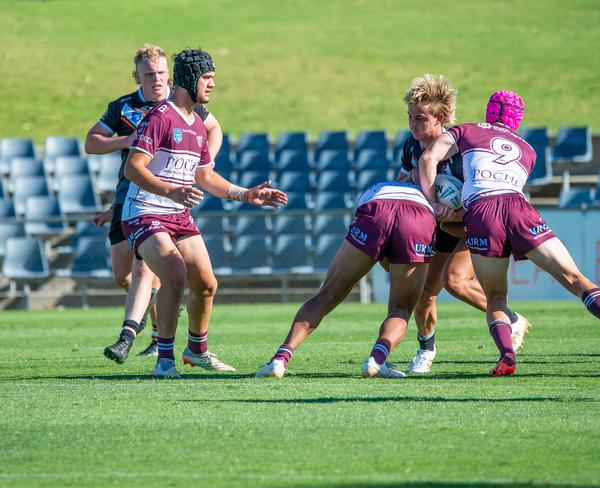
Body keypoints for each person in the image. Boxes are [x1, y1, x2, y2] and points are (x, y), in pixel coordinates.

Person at [418, 89, 600, 375]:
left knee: (496, 297)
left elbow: (428, 158)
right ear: (517, 120)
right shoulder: (528, 150)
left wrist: (434, 202)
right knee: (576, 278)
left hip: (481, 213)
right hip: (518, 207)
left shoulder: (466, 130)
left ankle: (507, 357)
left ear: (488, 110)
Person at [123, 48, 287, 379]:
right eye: (207, 78)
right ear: (188, 79)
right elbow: (132, 167)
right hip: (144, 211)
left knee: (207, 284)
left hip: (177, 214)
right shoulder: (160, 117)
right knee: (174, 272)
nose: (212, 85)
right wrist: (170, 190)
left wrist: (246, 194)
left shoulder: (197, 123)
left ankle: (196, 351)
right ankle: (164, 361)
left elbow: (205, 176)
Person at [85, 44, 224, 363]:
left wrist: (207, 162)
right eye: (150, 74)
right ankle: (155, 314)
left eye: (162, 73)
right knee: (124, 276)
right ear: (137, 76)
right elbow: (91, 143)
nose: (158, 79)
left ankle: (133, 335)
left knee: (154, 268)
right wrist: (127, 140)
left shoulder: (183, 103)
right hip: (131, 193)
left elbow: (213, 128)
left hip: (160, 207)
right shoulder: (124, 107)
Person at [396, 74, 531, 373]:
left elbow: (481, 201)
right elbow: (404, 180)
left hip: (473, 223)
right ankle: (426, 349)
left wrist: (448, 211)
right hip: (441, 226)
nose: (413, 124)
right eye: (409, 117)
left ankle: (509, 318)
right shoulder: (411, 147)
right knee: (425, 291)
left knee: (455, 281)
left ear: (440, 118)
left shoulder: (462, 149)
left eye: (420, 118)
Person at [257, 180, 447, 379]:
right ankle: (376, 360)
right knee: (400, 309)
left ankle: (280, 359)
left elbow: (379, 251)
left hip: (376, 207)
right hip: (418, 216)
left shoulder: (381, 185)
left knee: (326, 295)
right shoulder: (436, 189)